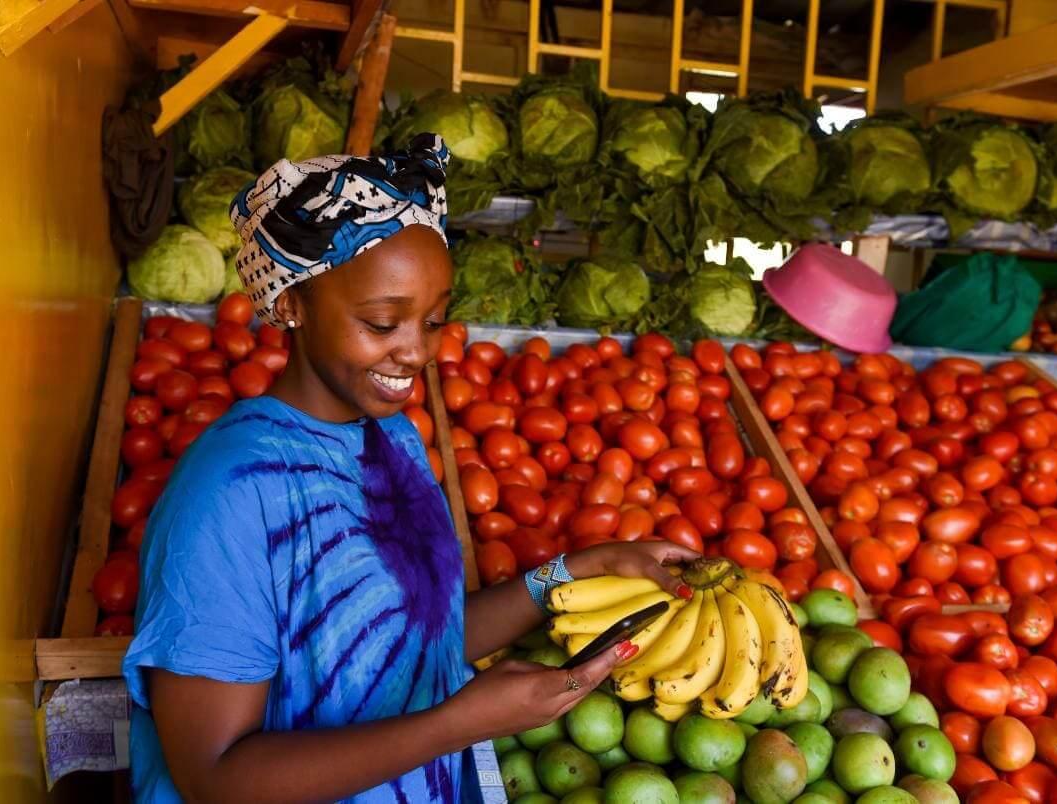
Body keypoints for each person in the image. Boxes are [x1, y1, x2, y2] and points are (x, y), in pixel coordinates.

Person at [122, 134, 698, 803]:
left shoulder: (389, 437)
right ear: (291, 306)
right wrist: (457, 724)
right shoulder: (229, 493)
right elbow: (215, 777)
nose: (415, 351)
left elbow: (412, 636)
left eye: (431, 320)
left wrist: (580, 569)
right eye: (381, 322)